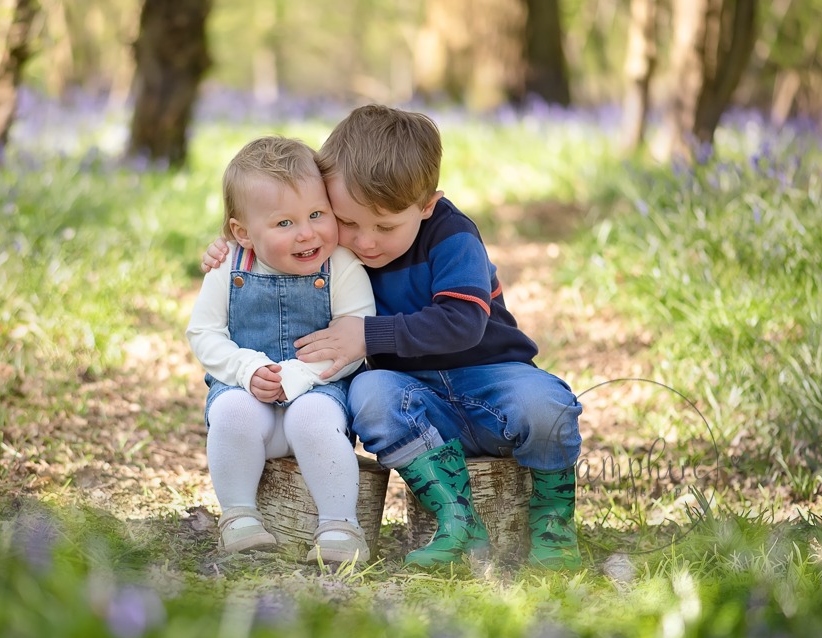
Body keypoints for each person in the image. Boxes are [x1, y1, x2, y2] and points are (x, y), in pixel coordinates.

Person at [202, 106, 583, 570]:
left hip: (491, 380)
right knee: (368, 393)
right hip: (416, 402)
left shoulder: (452, 236)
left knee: (549, 405)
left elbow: (462, 321)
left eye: (385, 227)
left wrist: (367, 334)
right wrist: (232, 248)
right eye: (348, 221)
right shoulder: (331, 239)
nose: (364, 242)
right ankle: (456, 520)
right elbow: (276, 231)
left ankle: (553, 525)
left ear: (426, 205)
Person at [186, 136, 376, 564]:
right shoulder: (228, 267)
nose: (307, 232)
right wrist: (245, 368)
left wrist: (301, 376)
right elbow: (203, 333)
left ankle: (340, 525)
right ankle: (238, 516)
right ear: (242, 232)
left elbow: (354, 335)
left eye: (316, 214)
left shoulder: (342, 266)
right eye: (284, 223)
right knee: (231, 412)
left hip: (317, 393)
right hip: (249, 397)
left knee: (312, 417)